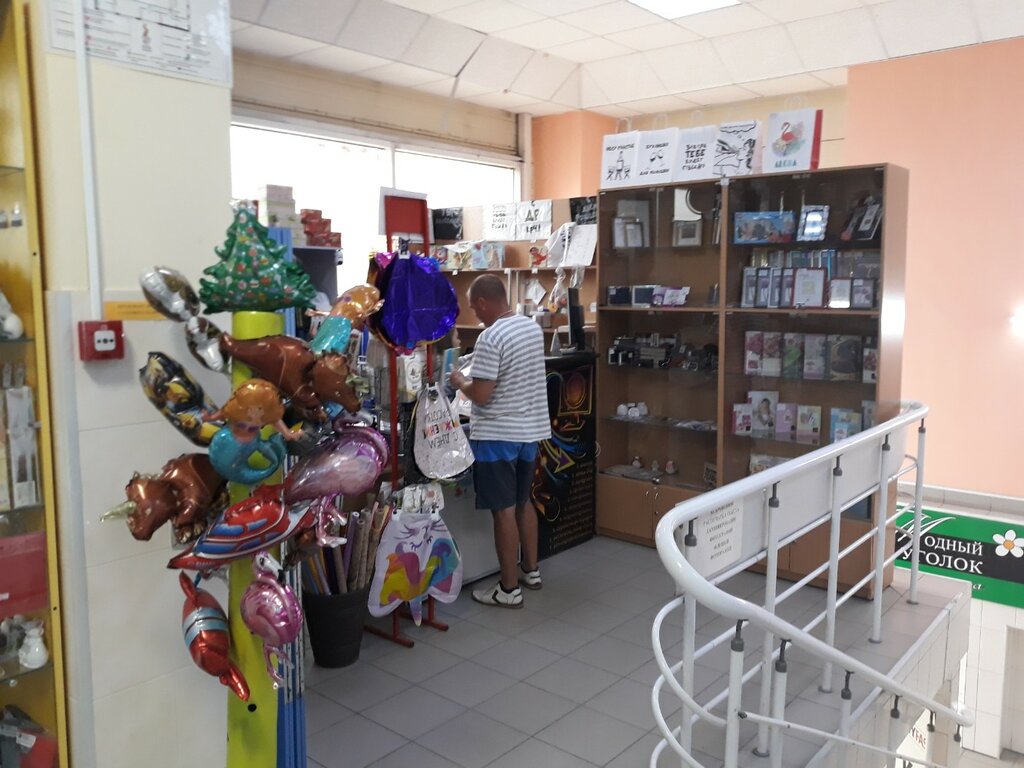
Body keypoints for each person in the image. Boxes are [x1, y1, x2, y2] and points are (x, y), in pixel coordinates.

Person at [449, 274, 551, 609]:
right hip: (529, 433)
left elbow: (481, 394)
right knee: (524, 502)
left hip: (497, 436)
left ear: (482, 302)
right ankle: (531, 571)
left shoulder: (491, 337)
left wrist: (459, 381)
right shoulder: (531, 328)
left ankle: (508, 589)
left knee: (503, 511)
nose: (475, 315)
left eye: (473, 308)